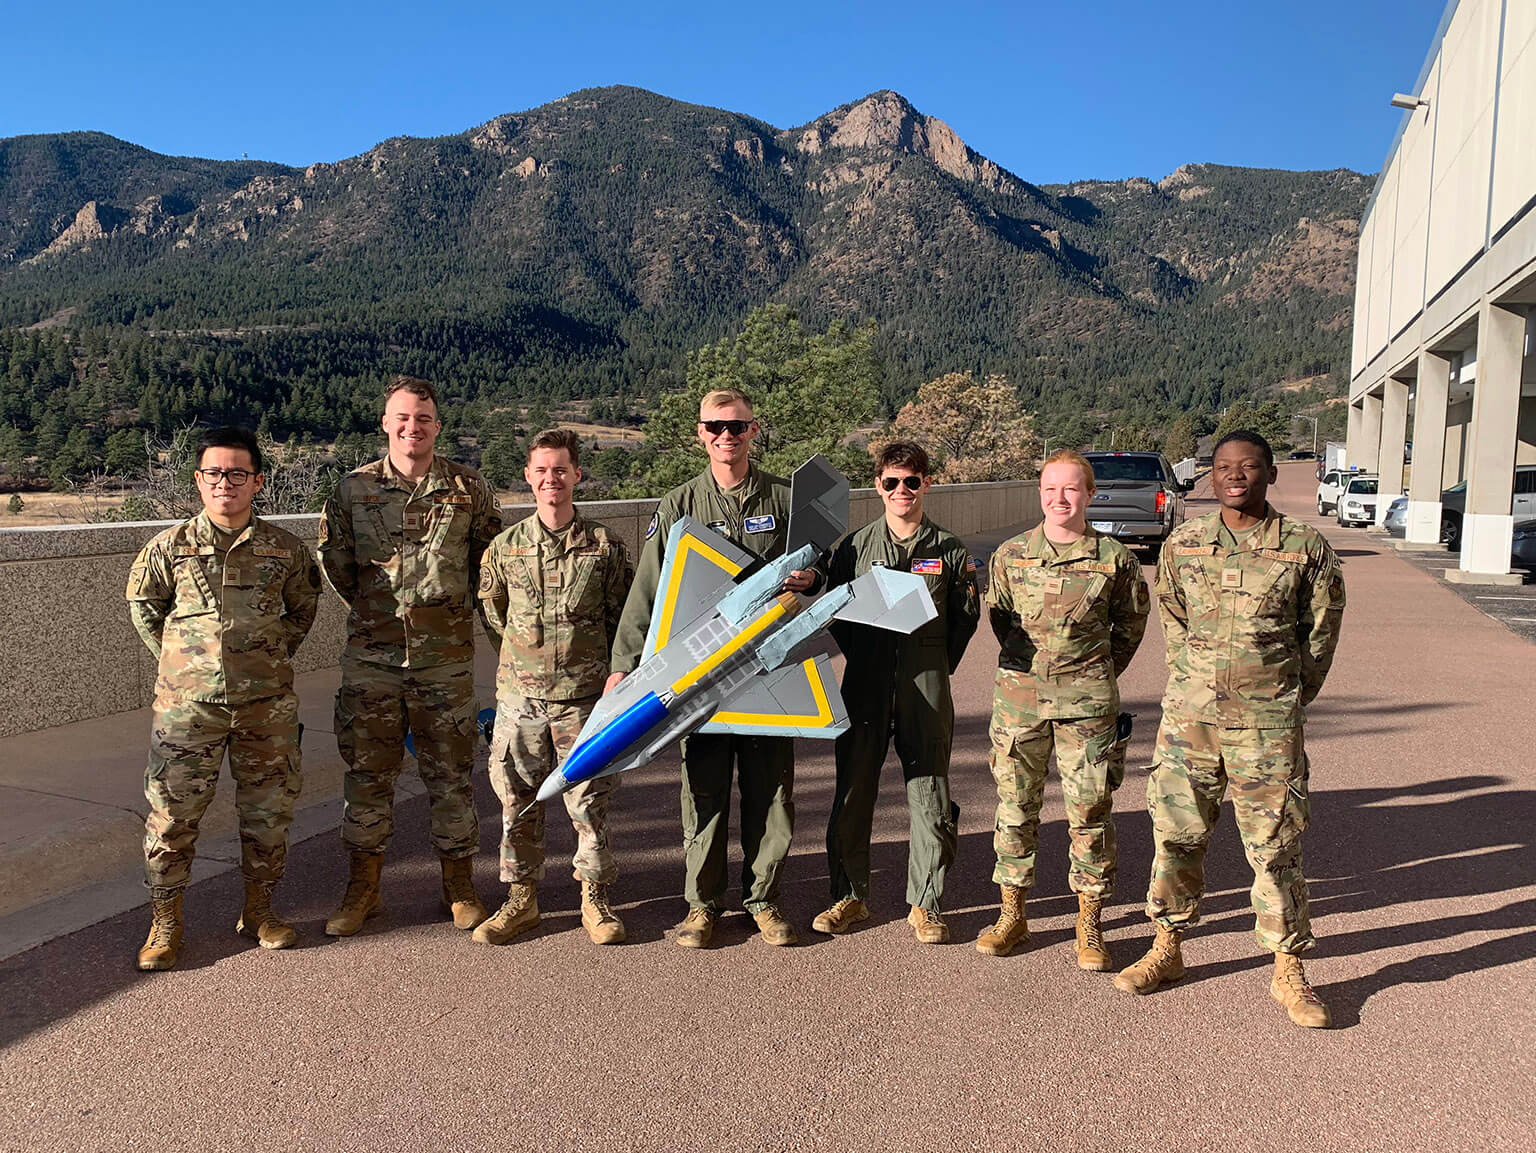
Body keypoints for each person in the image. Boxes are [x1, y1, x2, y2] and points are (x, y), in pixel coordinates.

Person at [1114, 430, 1345, 1028]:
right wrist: (1194, 686)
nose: (1234, 475)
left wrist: (1282, 699)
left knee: (1275, 845)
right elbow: (1173, 622)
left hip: (1266, 726)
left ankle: (1288, 970)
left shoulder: (1303, 547)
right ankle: (1168, 946)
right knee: (1176, 834)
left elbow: (1318, 638)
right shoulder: (1183, 544)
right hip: (1191, 720)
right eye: (1222, 467)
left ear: (1269, 474)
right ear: (1210, 477)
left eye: (1247, 467)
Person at [606, 388, 818, 948]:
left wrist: (813, 582)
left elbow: (828, 566)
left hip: (769, 666)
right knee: (703, 789)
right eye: (715, 427)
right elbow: (647, 590)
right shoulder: (679, 504)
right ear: (700, 433)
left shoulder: (788, 498)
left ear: (754, 430)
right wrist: (625, 665)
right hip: (699, 674)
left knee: (771, 789)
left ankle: (763, 900)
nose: (727, 436)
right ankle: (702, 905)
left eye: (737, 426)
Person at [126, 426, 321, 970]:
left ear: (257, 481)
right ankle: (165, 921)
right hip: (188, 709)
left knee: (269, 812)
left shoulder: (284, 548)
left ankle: (260, 910)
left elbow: (302, 612)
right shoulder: (168, 547)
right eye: (214, 473)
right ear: (198, 479)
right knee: (171, 815)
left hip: (267, 706)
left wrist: (265, 658)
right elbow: (147, 613)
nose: (225, 483)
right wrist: (188, 665)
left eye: (238, 473)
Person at [317, 375, 503, 937]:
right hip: (372, 662)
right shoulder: (351, 490)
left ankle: (460, 885)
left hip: (444, 660)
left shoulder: (469, 488)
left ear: (436, 426)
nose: (412, 427)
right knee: (368, 777)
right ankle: (363, 889)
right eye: (402, 417)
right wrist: (383, 615)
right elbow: (338, 568)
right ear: (385, 423)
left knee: (451, 776)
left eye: (422, 418)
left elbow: (490, 567)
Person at [977, 449, 1149, 967]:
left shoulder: (1115, 559)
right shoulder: (1011, 554)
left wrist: (1091, 672)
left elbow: (1131, 629)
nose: (1060, 499)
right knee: (1015, 806)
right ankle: (1013, 915)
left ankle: (1090, 921)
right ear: (1039, 493)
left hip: (1087, 705)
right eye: (1051, 489)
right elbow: (1001, 621)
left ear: (1090, 494)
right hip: (1019, 702)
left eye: (1071, 489)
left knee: (1090, 811)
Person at [812, 442, 979, 943]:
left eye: (912, 481)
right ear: (878, 486)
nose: (901, 491)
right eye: (891, 482)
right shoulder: (854, 548)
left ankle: (925, 903)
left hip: (925, 686)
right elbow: (834, 612)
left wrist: (931, 665)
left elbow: (964, 621)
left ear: (927, 483)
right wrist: (867, 653)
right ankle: (849, 896)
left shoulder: (949, 550)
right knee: (853, 787)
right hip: (864, 681)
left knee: (929, 790)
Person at [474, 429, 633, 946]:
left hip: (585, 700)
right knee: (517, 801)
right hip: (520, 700)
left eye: (560, 470)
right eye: (541, 470)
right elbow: (495, 617)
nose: (551, 480)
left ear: (577, 475)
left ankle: (594, 896)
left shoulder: (606, 546)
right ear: (528, 476)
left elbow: (622, 618)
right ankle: (522, 900)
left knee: (589, 803)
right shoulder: (504, 548)